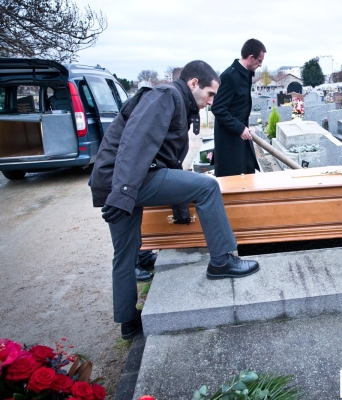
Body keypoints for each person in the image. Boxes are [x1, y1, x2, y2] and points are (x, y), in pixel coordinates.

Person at [89, 60, 260, 340]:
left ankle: (128, 322)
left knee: (126, 254)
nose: (211, 102)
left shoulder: (175, 100)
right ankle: (221, 261)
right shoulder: (166, 96)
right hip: (127, 181)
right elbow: (136, 142)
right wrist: (122, 196)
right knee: (207, 187)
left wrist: (178, 209)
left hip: (116, 181)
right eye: (210, 94)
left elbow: (167, 160)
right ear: (194, 84)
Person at [212, 38, 266, 177]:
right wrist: (239, 128)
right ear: (251, 57)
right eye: (259, 61)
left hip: (242, 138)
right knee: (234, 182)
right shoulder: (230, 76)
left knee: (248, 174)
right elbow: (218, 108)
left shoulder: (245, 75)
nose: (260, 65)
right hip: (229, 142)